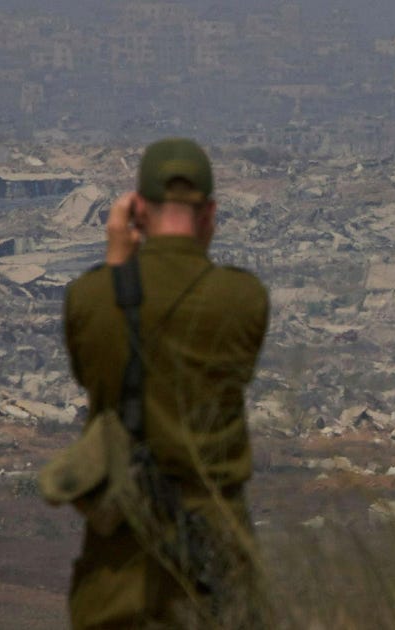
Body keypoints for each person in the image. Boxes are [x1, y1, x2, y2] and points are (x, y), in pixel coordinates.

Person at [61, 138, 270, 628]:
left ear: (136, 211)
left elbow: (93, 375)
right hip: (218, 558)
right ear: (210, 213)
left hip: (120, 572)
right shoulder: (242, 298)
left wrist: (117, 266)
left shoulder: (91, 298)